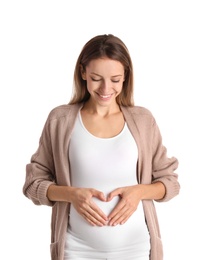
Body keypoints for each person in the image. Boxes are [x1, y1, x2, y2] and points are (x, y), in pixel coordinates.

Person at [23, 34, 180, 260]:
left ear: (126, 77)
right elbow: (33, 184)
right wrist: (70, 194)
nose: (106, 88)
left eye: (115, 79)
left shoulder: (143, 121)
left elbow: (171, 183)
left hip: (135, 249)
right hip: (76, 249)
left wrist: (138, 193)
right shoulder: (60, 120)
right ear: (83, 72)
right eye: (96, 78)